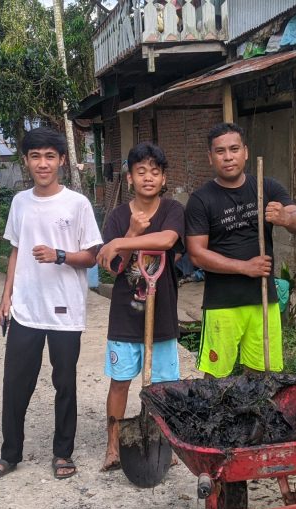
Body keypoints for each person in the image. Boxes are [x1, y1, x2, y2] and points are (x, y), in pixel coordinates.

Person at [0, 127, 103, 482]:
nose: (43, 163)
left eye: (50, 156)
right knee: (16, 383)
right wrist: (6, 297)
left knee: (64, 382)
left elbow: (92, 256)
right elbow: (16, 251)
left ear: (62, 160)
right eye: (36, 156)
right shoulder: (20, 202)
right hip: (26, 309)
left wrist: (60, 255)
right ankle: (10, 454)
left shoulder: (77, 204)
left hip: (65, 310)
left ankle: (62, 452)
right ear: (26, 161)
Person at [185, 122, 296, 378]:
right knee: (215, 379)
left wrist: (285, 217)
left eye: (234, 149)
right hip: (222, 303)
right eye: (220, 151)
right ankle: (215, 418)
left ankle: (255, 418)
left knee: (263, 375)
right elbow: (196, 253)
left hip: (263, 299)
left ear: (246, 152)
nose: (228, 157)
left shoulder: (266, 187)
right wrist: (244, 267)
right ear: (210, 157)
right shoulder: (201, 199)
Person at [96, 142, 184, 472]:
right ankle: (114, 447)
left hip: (161, 314)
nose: (149, 177)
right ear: (130, 177)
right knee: (119, 382)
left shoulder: (173, 209)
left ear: (163, 179)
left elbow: (167, 241)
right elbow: (113, 268)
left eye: (156, 172)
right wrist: (130, 232)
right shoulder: (118, 216)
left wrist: (121, 242)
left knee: (165, 385)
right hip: (125, 315)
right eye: (141, 171)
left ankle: (168, 442)